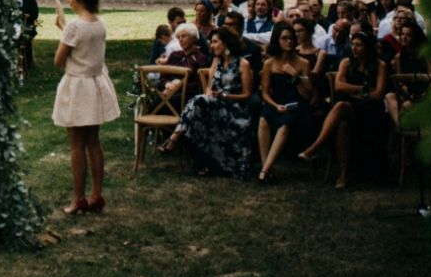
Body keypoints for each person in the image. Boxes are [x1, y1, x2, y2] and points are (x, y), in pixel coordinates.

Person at [53, 0, 121, 215]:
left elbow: (59, 60)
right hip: (95, 84)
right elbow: (85, 45)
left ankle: (78, 198)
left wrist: (63, 30)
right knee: (94, 143)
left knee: (76, 146)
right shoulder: (99, 24)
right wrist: (64, 29)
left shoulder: (74, 26)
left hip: (78, 87)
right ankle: (96, 195)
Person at [157, 28, 255, 180]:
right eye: (211, 42)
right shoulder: (216, 61)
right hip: (215, 105)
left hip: (235, 108)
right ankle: (200, 160)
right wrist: (210, 94)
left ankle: (175, 138)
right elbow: (209, 87)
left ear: (226, 43)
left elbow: (247, 94)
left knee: (198, 101)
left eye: (215, 42)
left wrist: (225, 96)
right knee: (199, 102)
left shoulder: (243, 64)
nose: (211, 46)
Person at [299, 29, 391, 187]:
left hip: (371, 111)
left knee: (341, 108)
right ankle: (343, 174)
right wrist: (362, 90)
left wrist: (356, 92)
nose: (354, 48)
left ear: (367, 47)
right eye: (353, 44)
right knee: (342, 121)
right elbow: (338, 85)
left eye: (359, 45)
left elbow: (378, 94)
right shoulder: (346, 63)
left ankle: (315, 149)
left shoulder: (379, 65)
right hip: (352, 107)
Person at [255, 24, 317, 184]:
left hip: (297, 104)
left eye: (291, 38)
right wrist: (275, 105)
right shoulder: (269, 63)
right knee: (263, 120)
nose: (289, 41)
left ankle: (264, 172)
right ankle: (266, 166)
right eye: (284, 38)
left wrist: (295, 75)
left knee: (285, 125)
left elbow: (308, 91)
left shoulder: (302, 62)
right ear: (277, 40)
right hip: (276, 102)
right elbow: (265, 92)